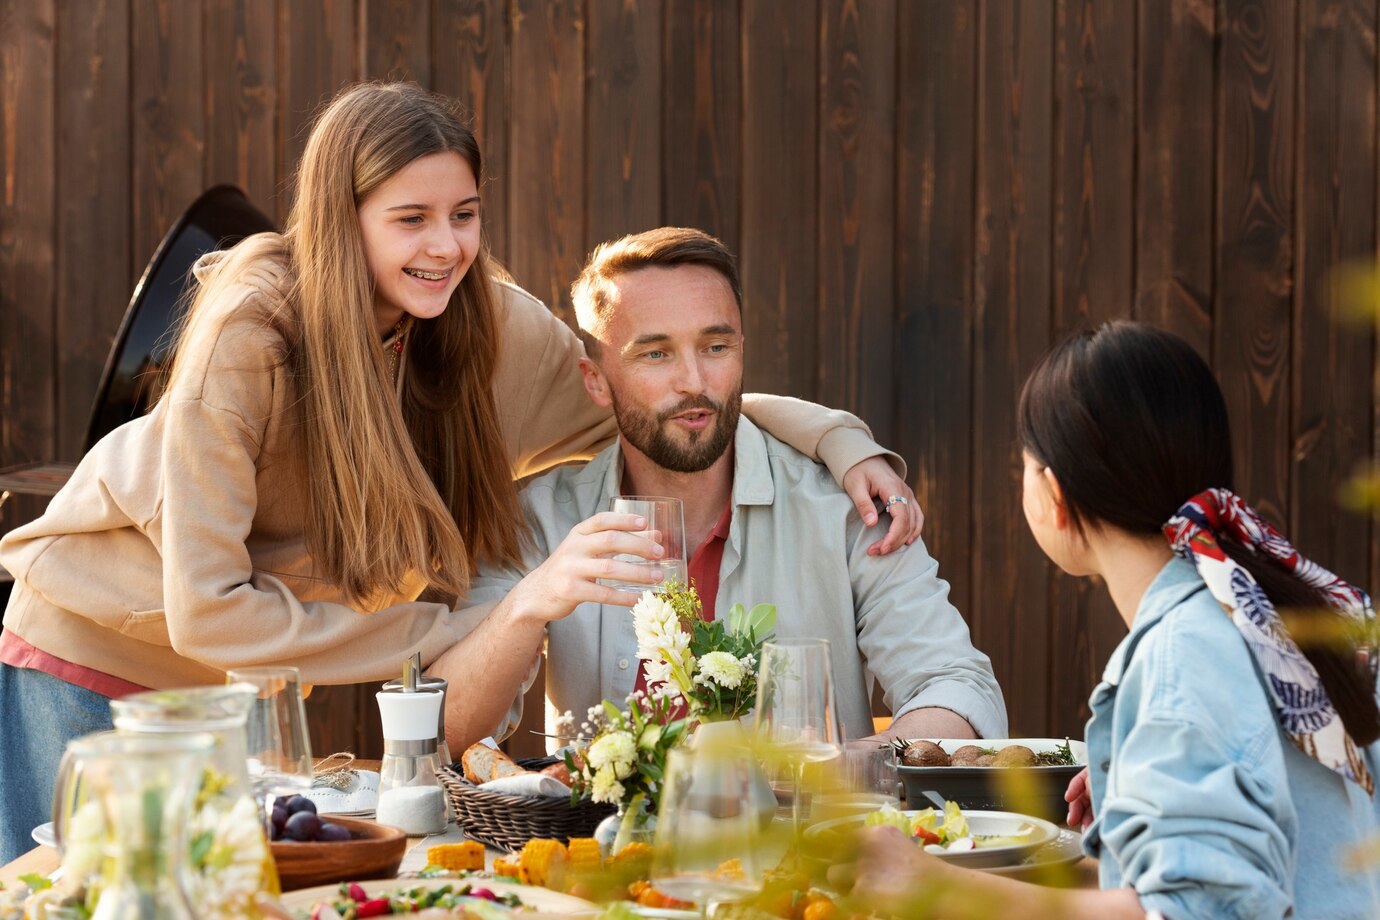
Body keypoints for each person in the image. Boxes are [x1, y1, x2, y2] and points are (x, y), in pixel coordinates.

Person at [0, 83, 920, 863]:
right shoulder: (253, 332)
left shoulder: (487, 326)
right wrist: (442, 633)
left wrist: (840, 440)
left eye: (463, 215)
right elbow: (206, 608)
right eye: (411, 219)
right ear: (340, 217)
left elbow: (660, 391)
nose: (445, 246)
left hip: (246, 689)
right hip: (95, 654)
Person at [841, 321, 1380, 919]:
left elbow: (1192, 913)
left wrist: (933, 888)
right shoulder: (1257, 612)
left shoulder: (1184, 657)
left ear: (1052, 493)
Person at [431, 227, 1005, 750]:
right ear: (597, 383)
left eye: (715, 347)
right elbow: (443, 732)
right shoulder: (541, 519)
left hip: (807, 852)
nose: (695, 383)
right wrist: (529, 603)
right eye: (655, 354)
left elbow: (960, 689)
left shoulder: (844, 508)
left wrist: (845, 767)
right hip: (606, 859)